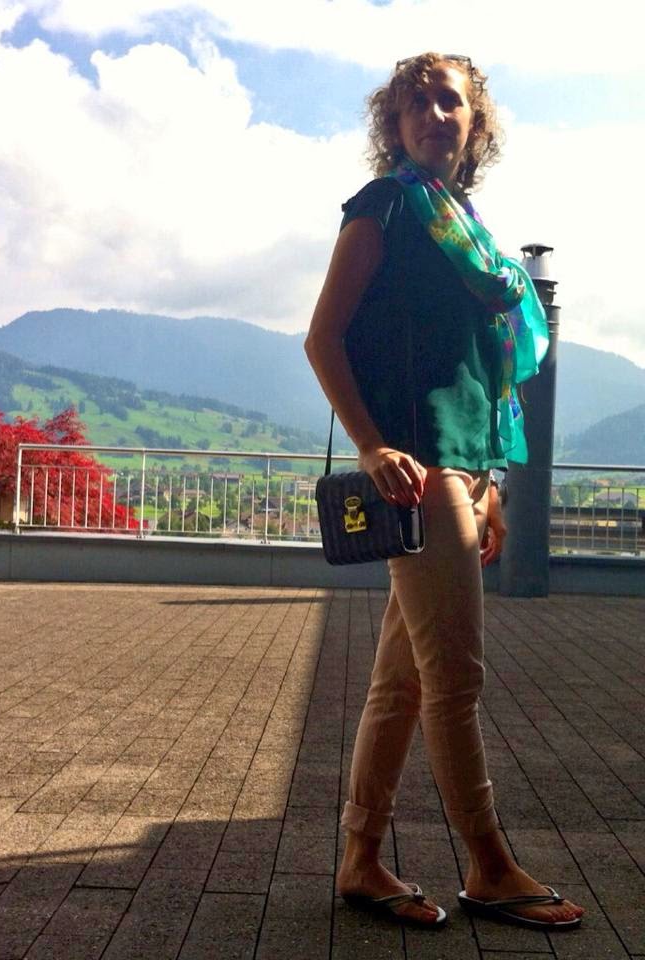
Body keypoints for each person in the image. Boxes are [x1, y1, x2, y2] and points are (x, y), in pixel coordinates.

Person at [304, 52, 585, 931]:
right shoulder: (386, 206)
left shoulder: (468, 230)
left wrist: (488, 482)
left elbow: (472, 373)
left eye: (449, 101)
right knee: (455, 679)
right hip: (417, 473)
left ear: (476, 123)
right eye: (415, 103)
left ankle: (360, 859)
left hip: (461, 468)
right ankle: (490, 866)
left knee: (403, 686)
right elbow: (323, 338)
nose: (433, 114)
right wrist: (372, 445)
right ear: (393, 125)